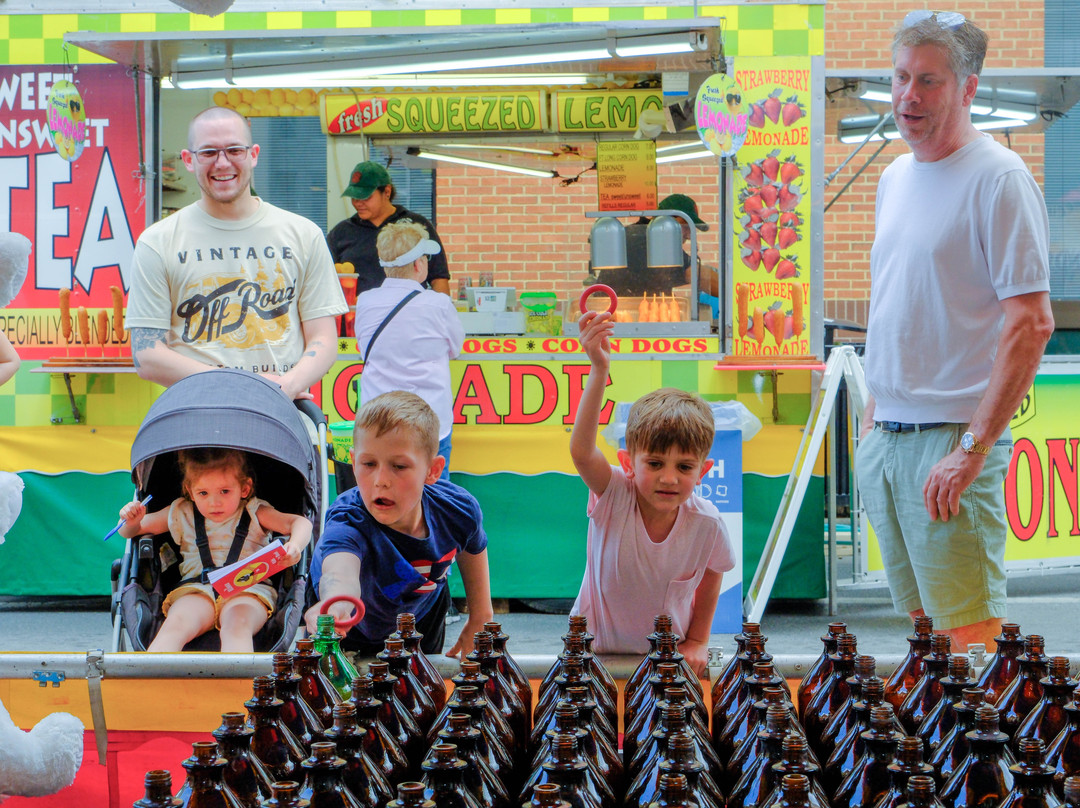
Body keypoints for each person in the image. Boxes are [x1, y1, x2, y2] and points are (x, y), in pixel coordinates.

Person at [857, 11, 1055, 652]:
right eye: (900, 77)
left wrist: (973, 448)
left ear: (968, 89)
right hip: (888, 439)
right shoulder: (893, 178)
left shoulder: (999, 179)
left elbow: (1031, 323)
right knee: (923, 638)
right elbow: (899, 302)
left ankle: (979, 755)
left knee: (967, 636)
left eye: (930, 82)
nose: (909, 96)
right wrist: (873, 414)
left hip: (949, 440)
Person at [125, 106, 347, 401]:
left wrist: (290, 384)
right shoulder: (158, 242)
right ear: (189, 160)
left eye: (233, 150)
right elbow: (146, 354)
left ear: (253, 154)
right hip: (195, 419)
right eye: (208, 153)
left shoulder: (303, 235)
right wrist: (236, 383)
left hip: (279, 411)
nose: (222, 163)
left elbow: (323, 338)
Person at [569, 309, 735, 675]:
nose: (670, 479)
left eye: (685, 467)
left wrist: (697, 639)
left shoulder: (706, 522)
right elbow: (581, 451)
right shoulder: (614, 494)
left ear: (703, 471)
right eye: (655, 464)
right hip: (591, 653)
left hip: (667, 659)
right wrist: (599, 369)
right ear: (628, 463)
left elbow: (713, 574)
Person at [305, 391, 493, 659]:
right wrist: (334, 607)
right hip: (349, 630)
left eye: (399, 466)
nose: (381, 479)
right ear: (352, 461)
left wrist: (481, 614)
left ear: (433, 471)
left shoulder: (457, 510)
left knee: (421, 694)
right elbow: (340, 574)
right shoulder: (347, 519)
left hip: (419, 620)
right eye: (368, 464)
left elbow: (472, 546)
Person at [118, 448, 313, 652]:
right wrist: (130, 520)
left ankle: (236, 682)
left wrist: (295, 545)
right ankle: (151, 680)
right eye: (203, 493)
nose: (214, 502)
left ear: (245, 488)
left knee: (236, 626)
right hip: (197, 590)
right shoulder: (181, 512)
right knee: (175, 625)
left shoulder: (255, 511)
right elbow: (132, 531)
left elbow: (300, 523)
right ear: (190, 490)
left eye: (225, 491)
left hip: (248, 590)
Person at [354, 219, 464, 477]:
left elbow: (363, 349)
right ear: (418, 264)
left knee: (379, 492)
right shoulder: (438, 304)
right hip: (430, 421)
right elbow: (456, 347)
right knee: (433, 494)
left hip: (377, 420)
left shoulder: (365, 302)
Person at [327, 161, 451, 297]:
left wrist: (441, 311)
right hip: (358, 315)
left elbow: (439, 278)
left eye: (365, 197)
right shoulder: (341, 233)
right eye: (354, 197)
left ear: (387, 191)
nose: (358, 203)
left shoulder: (416, 227)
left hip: (408, 313)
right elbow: (325, 281)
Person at [592, 193, 718, 299]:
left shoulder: (640, 234)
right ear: (666, 222)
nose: (689, 236)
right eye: (685, 227)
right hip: (615, 316)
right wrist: (731, 291)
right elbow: (697, 274)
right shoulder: (648, 240)